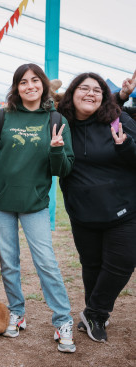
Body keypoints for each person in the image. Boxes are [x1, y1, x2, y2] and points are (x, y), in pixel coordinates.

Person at [0, 63, 76, 353]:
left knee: (46, 262)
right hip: (0, 202)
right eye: (23, 81)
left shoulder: (56, 119)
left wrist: (57, 149)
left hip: (34, 204)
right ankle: (17, 313)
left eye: (35, 81)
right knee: (9, 262)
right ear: (16, 87)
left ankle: (62, 321)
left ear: (44, 86)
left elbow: (64, 170)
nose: (30, 86)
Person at [58, 72, 136, 343]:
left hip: (124, 210)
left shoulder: (118, 121)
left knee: (123, 261)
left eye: (97, 90)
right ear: (72, 94)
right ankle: (95, 314)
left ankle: (97, 312)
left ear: (104, 96)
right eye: (84, 88)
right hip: (82, 212)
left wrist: (125, 146)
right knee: (91, 264)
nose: (90, 93)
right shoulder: (60, 124)